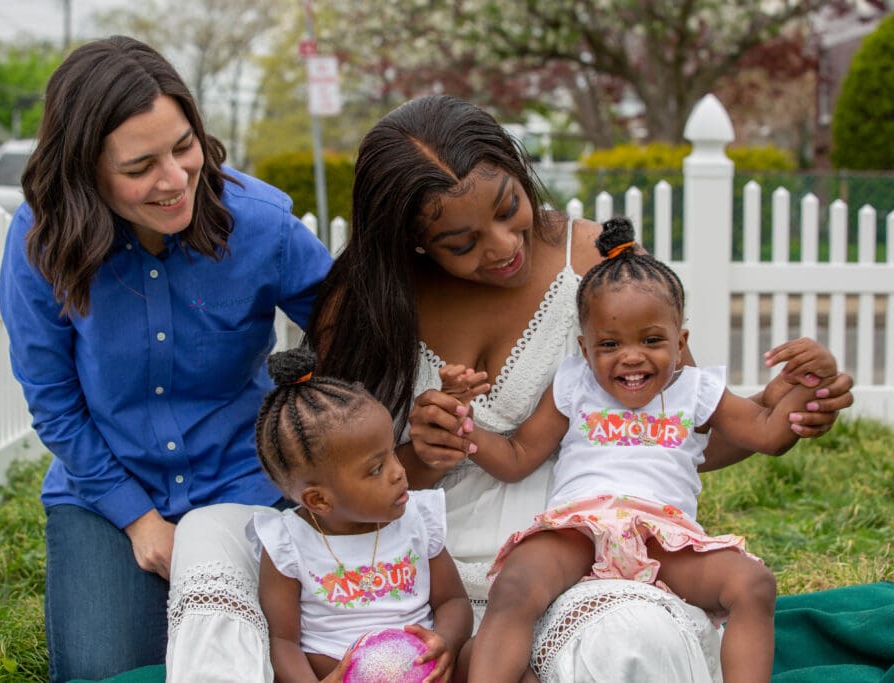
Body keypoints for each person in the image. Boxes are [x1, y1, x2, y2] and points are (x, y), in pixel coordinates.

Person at [168, 95, 853, 682]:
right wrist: (421, 454)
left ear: (520, 171)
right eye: (461, 242)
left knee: (632, 638)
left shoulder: (601, 265)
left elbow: (672, 436)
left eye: (508, 207)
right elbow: (334, 473)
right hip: (397, 572)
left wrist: (789, 414)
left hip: (567, 559)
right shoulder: (368, 300)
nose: (501, 246)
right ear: (411, 241)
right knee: (209, 532)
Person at [0, 36, 332, 682]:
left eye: (184, 146)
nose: (176, 179)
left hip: (247, 480)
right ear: (86, 169)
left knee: (286, 654)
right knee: (106, 669)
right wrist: (141, 520)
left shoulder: (259, 223)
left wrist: (318, 431)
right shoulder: (40, 240)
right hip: (109, 490)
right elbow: (54, 401)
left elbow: (351, 328)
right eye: (140, 165)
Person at [451, 216, 834, 682]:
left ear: (680, 343)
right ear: (585, 348)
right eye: (609, 344)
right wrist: (464, 425)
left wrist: (812, 377)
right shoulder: (573, 383)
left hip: (665, 537)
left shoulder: (696, 389)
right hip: (578, 529)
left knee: (754, 583)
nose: (631, 356)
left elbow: (770, 433)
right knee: (515, 585)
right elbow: (516, 458)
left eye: (652, 340)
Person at [248, 347, 472, 682]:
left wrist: (446, 643)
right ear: (319, 500)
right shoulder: (287, 543)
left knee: (495, 656)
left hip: (421, 670)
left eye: (393, 454)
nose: (399, 472)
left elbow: (453, 600)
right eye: (377, 468)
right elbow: (283, 641)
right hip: (338, 670)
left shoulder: (417, 519)